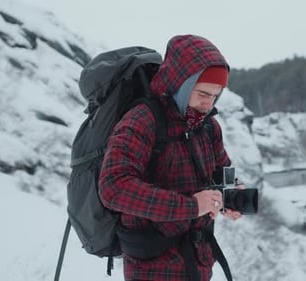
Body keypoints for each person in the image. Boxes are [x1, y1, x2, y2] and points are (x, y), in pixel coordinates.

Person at [98, 34, 242, 281]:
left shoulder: (208, 127)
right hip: (153, 269)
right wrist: (192, 206)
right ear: (181, 84)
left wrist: (232, 195)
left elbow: (221, 170)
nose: (208, 104)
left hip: (198, 264)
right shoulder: (142, 121)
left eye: (215, 96)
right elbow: (113, 187)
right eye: (203, 94)